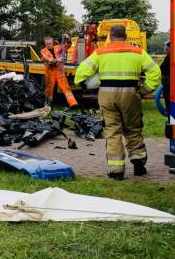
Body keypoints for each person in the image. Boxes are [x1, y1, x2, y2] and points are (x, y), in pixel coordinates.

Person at [74, 25, 161, 180]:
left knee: (112, 131)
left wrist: (82, 83)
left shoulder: (100, 52)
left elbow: (82, 71)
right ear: (126, 36)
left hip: (107, 95)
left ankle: (116, 171)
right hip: (130, 95)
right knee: (133, 129)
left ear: (110, 36)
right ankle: (139, 163)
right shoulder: (138, 52)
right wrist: (143, 90)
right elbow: (155, 73)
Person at [40, 36, 78, 108]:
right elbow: (49, 61)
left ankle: (73, 103)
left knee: (65, 87)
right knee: (49, 89)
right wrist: (58, 60)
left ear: (52, 42)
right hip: (50, 72)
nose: (49, 45)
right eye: (47, 44)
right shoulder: (43, 51)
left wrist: (67, 38)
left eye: (50, 43)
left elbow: (67, 46)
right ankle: (48, 103)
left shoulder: (58, 47)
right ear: (45, 44)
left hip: (59, 71)